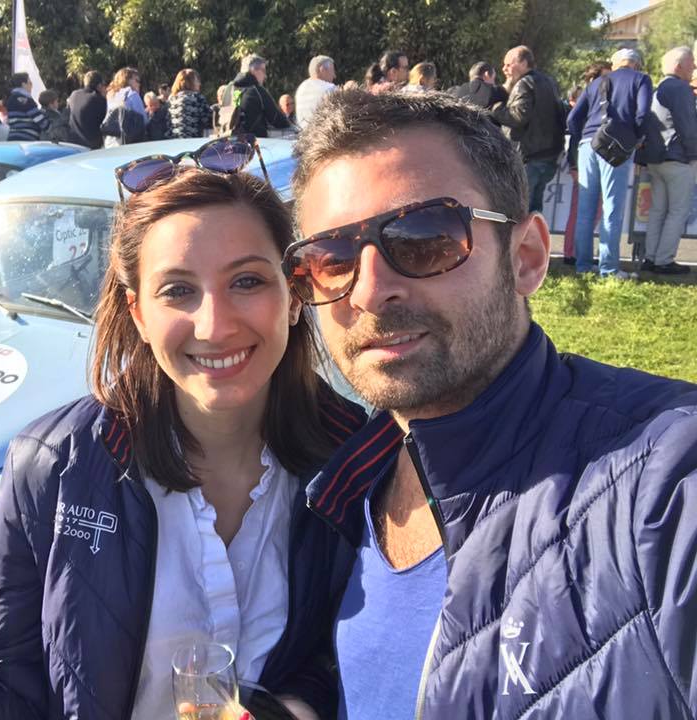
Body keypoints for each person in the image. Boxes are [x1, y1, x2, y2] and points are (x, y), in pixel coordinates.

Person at [0, 158, 363, 719]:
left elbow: (359, 652)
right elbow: (11, 692)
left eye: (247, 281)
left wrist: (295, 709)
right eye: (178, 290)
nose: (214, 325)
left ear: (293, 293)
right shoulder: (53, 467)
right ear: (138, 314)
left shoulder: (355, 458)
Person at [289, 88, 697, 719]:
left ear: (526, 257)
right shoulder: (344, 479)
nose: (368, 291)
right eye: (332, 258)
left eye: (424, 238)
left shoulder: (663, 483)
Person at [567, 47, 652, 278]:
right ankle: (608, 268)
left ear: (614, 64)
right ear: (636, 64)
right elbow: (643, 114)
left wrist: (583, 136)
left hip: (588, 144)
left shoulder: (596, 83)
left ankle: (583, 266)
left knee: (586, 210)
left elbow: (573, 118)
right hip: (617, 146)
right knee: (612, 208)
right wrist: (635, 139)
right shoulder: (641, 80)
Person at [641, 46, 697, 275]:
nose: (694, 67)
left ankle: (650, 257)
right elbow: (688, 127)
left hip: (655, 159)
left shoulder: (658, 89)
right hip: (677, 159)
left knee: (657, 211)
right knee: (677, 212)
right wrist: (694, 155)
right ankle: (664, 260)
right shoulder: (681, 89)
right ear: (678, 66)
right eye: (691, 63)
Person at [492, 46, 565, 215]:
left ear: (524, 63)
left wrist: (497, 109)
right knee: (535, 209)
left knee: (519, 211)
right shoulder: (549, 82)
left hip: (528, 157)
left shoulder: (524, 84)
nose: (504, 69)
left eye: (508, 64)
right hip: (548, 156)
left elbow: (518, 117)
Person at [562, 62, 611, 265]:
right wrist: (574, 165)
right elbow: (574, 131)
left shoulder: (596, 100)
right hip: (582, 161)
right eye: (606, 76)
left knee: (590, 211)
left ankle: (576, 253)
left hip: (585, 158)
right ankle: (572, 252)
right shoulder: (590, 100)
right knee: (581, 211)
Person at [231, 54, 291, 137]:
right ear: (253, 70)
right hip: (253, 141)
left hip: (229, 141)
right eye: (263, 71)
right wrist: (290, 125)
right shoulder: (257, 91)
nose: (265, 76)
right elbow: (276, 119)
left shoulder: (229, 89)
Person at [103, 67, 147, 147]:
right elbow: (144, 121)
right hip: (129, 144)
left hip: (110, 143)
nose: (139, 84)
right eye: (137, 81)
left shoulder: (110, 96)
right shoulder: (132, 95)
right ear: (128, 80)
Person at [66, 70, 106, 149]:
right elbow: (107, 122)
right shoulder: (98, 99)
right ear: (99, 85)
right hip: (93, 146)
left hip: (73, 143)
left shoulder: (74, 95)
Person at [5, 72, 49, 142]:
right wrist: (50, 126)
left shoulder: (11, 99)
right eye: (30, 83)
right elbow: (40, 120)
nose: (31, 86)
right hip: (26, 139)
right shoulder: (26, 100)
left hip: (12, 138)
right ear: (23, 84)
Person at [295, 55, 336, 128]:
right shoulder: (330, 88)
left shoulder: (300, 88)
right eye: (332, 71)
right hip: (322, 133)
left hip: (303, 132)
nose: (334, 76)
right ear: (322, 70)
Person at [167, 68, 210, 139]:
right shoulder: (197, 97)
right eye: (197, 81)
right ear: (190, 82)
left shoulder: (171, 99)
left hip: (174, 141)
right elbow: (207, 120)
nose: (199, 84)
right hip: (193, 141)